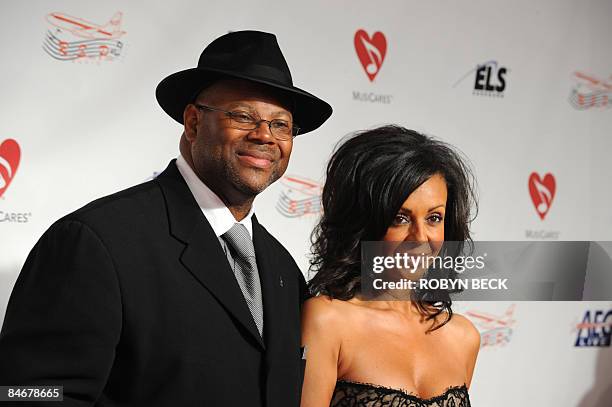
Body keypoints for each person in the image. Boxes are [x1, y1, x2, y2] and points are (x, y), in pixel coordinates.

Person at [0, 30, 332, 406]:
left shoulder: (283, 270)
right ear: (192, 123)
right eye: (242, 116)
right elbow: (28, 394)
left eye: (281, 125)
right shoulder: (95, 242)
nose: (265, 136)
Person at [301, 125, 480, 407]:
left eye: (434, 218)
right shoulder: (328, 320)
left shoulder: (462, 336)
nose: (420, 238)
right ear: (364, 224)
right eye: (400, 218)